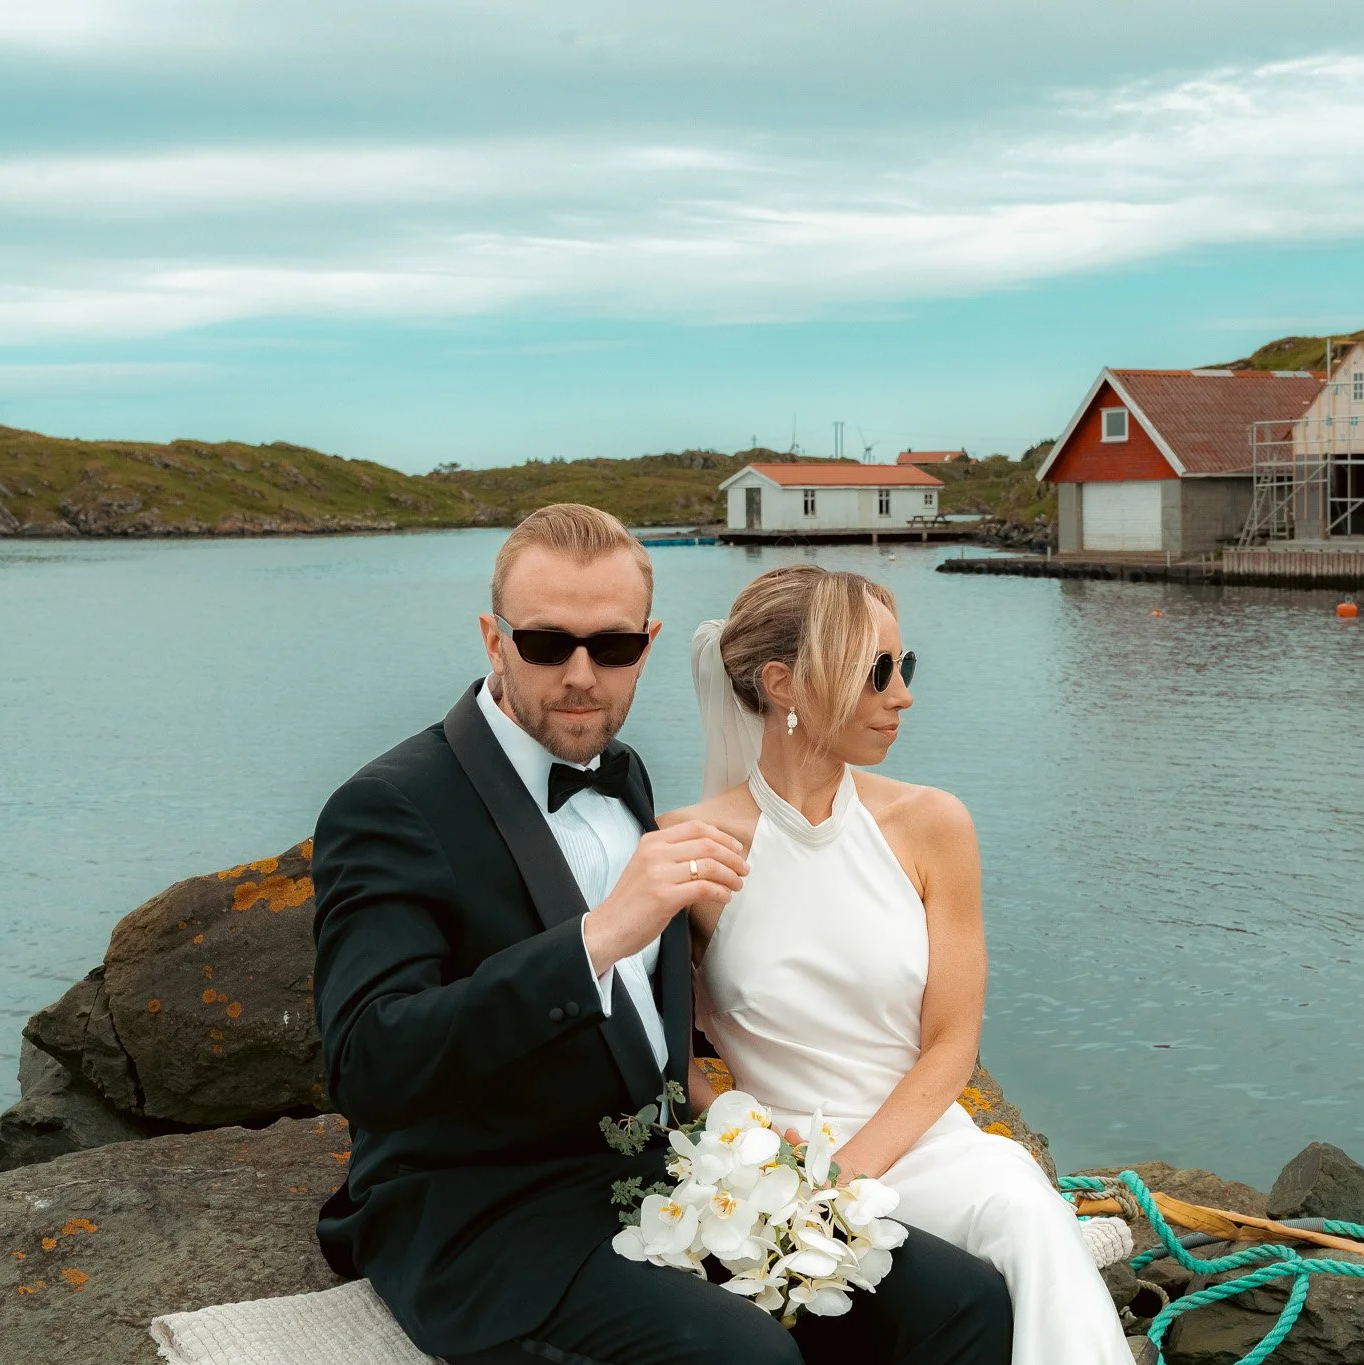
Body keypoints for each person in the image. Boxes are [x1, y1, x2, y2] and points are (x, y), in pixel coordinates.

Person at [310, 505, 1013, 1365]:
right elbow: (368, 1062)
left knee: (963, 1303)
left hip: (669, 1178)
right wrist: (596, 938)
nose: (581, 675)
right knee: (748, 1358)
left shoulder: (623, 774)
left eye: (611, 647)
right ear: (493, 640)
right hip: (485, 1210)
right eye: (545, 643)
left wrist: (731, 1125)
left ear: (647, 643)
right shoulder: (391, 807)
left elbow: (645, 1032)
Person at [677, 564, 1132, 1365]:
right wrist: (748, 1147)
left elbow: (952, 1041)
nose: (903, 694)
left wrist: (843, 1175)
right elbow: (663, 1048)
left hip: (928, 1146)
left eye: (905, 666)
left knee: (1028, 1217)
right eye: (875, 671)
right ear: (782, 683)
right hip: (779, 1164)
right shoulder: (691, 848)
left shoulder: (932, 825)